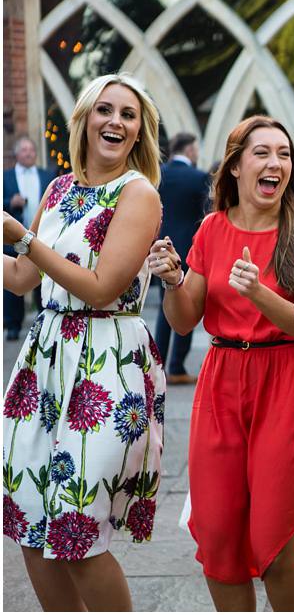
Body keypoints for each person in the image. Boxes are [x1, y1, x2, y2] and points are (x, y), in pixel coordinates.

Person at [148, 115, 294, 611]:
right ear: (235, 167)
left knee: (275, 539)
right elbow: (186, 319)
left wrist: (258, 293)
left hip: (287, 383)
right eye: (262, 152)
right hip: (221, 385)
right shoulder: (211, 229)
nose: (275, 162)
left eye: (283, 154)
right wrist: (172, 281)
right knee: (219, 538)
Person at [2, 73, 165, 611]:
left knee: (78, 533)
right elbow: (25, 279)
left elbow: (101, 289)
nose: (115, 121)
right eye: (105, 110)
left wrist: (22, 235)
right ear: (84, 120)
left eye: (128, 114)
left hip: (107, 365)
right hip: (46, 363)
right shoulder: (59, 189)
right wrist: (17, 245)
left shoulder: (138, 194)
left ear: (139, 131)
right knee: (30, 529)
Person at [153, 132, 211, 385]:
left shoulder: (158, 176)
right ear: (189, 151)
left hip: (161, 248)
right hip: (190, 248)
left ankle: (160, 362)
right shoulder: (199, 178)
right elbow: (206, 212)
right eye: (195, 150)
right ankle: (176, 365)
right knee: (187, 303)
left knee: (165, 307)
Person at [3, 137, 56, 340]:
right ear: (17, 154)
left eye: (31, 150)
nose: (28, 153)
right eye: (24, 150)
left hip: (43, 237)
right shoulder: (5, 176)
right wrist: (9, 201)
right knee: (13, 284)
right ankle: (13, 324)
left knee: (43, 278)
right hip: (11, 236)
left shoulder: (48, 175)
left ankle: (45, 321)